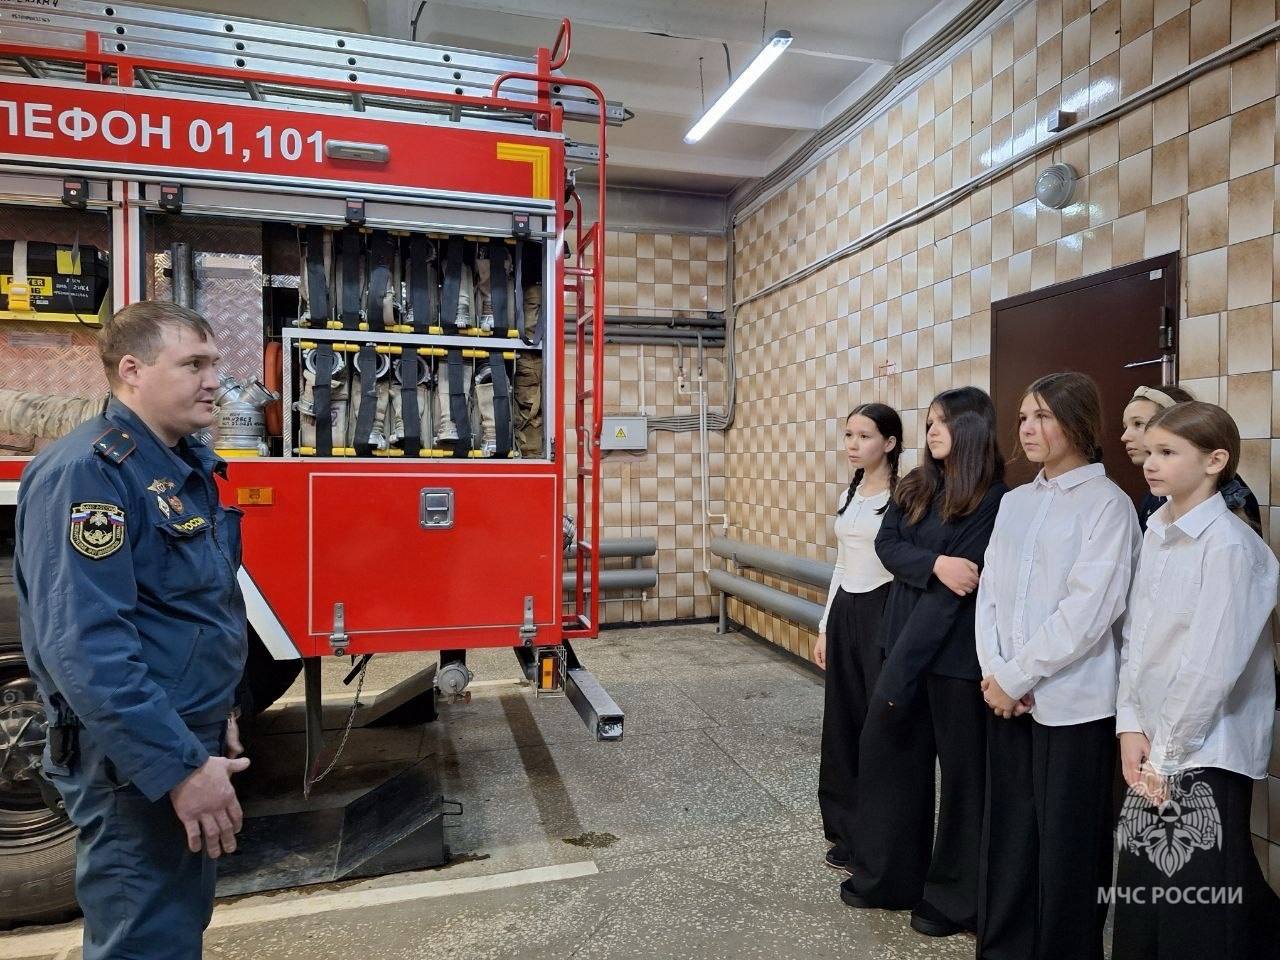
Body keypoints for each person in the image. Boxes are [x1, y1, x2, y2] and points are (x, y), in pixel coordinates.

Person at [13, 301, 251, 960]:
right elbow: (86, 649)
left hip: (180, 739)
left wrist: (218, 712)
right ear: (132, 370)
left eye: (214, 364)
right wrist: (179, 767)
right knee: (144, 938)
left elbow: (200, 607)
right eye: (193, 365)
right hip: (134, 763)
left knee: (171, 925)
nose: (214, 381)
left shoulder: (181, 467)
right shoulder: (90, 473)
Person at [975, 371, 1141, 960]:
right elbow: (990, 593)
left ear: (1078, 424)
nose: (1027, 428)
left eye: (1042, 416)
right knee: (1011, 837)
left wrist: (1017, 676)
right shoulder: (1016, 502)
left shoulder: (1109, 506)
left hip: (1074, 704)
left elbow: (1089, 610)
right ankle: (1005, 946)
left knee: (1069, 847)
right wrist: (995, 674)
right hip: (1006, 699)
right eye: (1022, 416)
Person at [1112, 401, 1280, 959]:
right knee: (1143, 893)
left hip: (1205, 746)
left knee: (1196, 907)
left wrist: (1165, 754)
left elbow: (1211, 667)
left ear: (1215, 460)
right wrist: (1131, 727)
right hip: (1154, 740)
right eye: (1150, 452)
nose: (1149, 463)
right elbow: (1136, 641)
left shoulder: (1231, 547)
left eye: (1167, 452)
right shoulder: (1157, 529)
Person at [841, 386, 1007, 939]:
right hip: (901, 641)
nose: (932, 431)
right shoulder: (916, 485)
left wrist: (934, 574)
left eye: (944, 423)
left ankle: (954, 899)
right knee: (890, 760)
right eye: (930, 422)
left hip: (955, 658)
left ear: (973, 429)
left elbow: (962, 589)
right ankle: (889, 877)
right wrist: (936, 562)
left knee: (963, 783)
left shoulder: (992, 498)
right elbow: (888, 547)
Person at [814, 402, 902, 873]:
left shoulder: (903, 495)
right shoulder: (850, 493)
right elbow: (843, 564)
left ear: (888, 443)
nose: (853, 445)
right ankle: (844, 828)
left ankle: (876, 830)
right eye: (849, 435)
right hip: (846, 607)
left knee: (877, 725)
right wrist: (826, 624)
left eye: (864, 436)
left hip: (883, 610)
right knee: (841, 722)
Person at [1120, 384, 1261, 532]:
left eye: (1138, 424)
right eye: (1125, 426)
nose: (1124, 437)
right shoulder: (1155, 494)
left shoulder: (1234, 503)